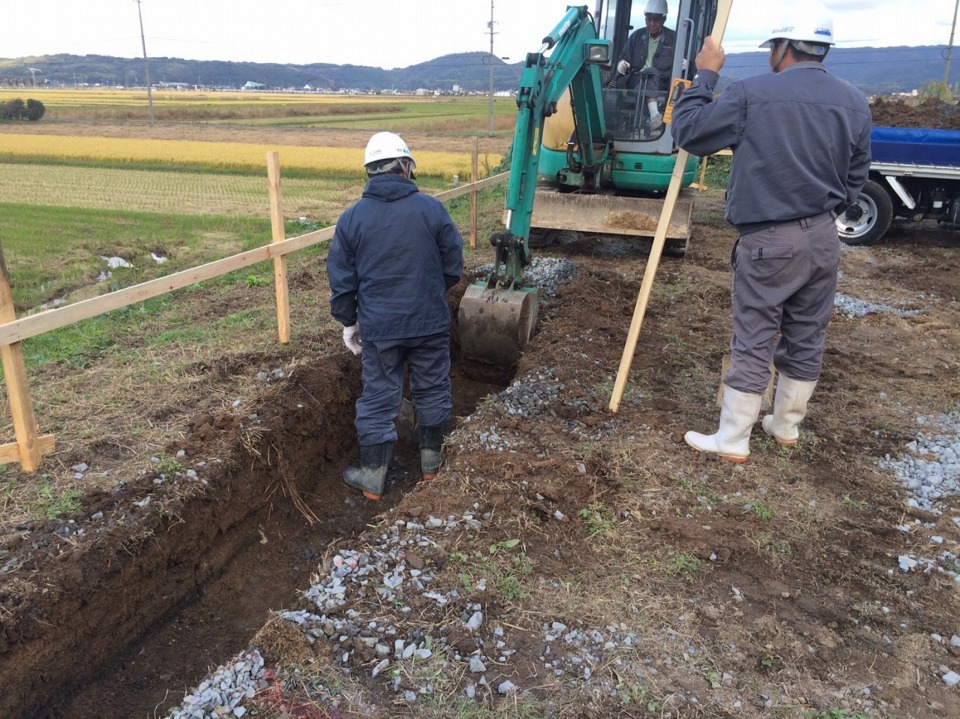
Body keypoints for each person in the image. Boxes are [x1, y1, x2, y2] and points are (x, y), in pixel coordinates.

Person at [669, 5, 871, 463]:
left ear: (783, 48)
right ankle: (784, 426)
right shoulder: (855, 101)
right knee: (806, 332)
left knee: (755, 335)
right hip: (823, 238)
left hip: (769, 240)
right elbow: (857, 175)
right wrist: (821, 215)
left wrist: (704, 77)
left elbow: (690, 131)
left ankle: (733, 438)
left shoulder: (752, 94)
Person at [326, 131, 464, 500]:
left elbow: (342, 280)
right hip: (428, 322)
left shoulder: (351, 218)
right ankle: (432, 463)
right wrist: (430, 294)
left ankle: (373, 475)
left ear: (369, 171)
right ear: (406, 167)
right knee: (433, 385)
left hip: (380, 327)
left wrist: (348, 321)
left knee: (378, 396)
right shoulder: (432, 209)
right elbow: (453, 266)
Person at [615, 0, 676, 129]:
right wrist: (622, 63)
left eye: (656, 20)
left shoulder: (673, 39)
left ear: (663, 20)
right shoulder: (636, 36)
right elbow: (624, 57)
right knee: (647, 75)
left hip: (662, 83)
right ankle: (655, 117)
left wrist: (685, 63)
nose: (652, 24)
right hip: (638, 81)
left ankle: (652, 118)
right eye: (649, 20)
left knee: (652, 72)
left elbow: (687, 62)